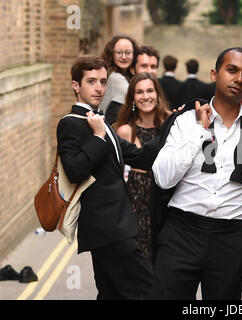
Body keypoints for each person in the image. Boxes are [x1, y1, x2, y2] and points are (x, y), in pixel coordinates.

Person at [151, 47, 242, 300]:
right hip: (181, 233)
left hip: (230, 239)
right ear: (214, 74)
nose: (238, 78)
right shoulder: (185, 122)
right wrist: (200, 130)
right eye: (231, 70)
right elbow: (163, 177)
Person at [57, 55, 157, 300]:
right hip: (109, 229)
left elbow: (141, 157)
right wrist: (98, 137)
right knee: (149, 291)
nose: (99, 88)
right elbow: (75, 170)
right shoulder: (72, 124)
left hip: (115, 228)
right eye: (91, 81)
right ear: (76, 86)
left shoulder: (99, 120)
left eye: (102, 81)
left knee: (112, 294)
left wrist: (175, 123)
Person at [114, 72, 170, 264]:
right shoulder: (125, 130)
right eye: (139, 92)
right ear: (132, 98)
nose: (145, 96)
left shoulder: (170, 125)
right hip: (136, 207)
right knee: (140, 267)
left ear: (158, 94)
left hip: (165, 204)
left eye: (149, 90)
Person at [99, 34, 139, 124]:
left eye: (128, 52)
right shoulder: (115, 78)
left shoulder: (125, 75)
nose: (124, 57)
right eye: (119, 52)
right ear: (111, 54)